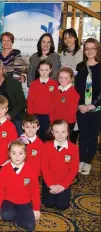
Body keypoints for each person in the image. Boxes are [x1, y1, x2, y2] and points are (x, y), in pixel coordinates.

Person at [0, 140, 41, 231]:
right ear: (9, 154)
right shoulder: (4, 170)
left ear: (25, 154)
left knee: (30, 227)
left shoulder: (31, 170)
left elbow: (35, 191)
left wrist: (36, 209)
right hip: (9, 200)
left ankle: (19, 215)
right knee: (6, 216)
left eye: (20, 153)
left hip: (25, 202)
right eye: (14, 153)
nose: (17, 156)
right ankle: (13, 214)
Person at [75, 38, 101, 175]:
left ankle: (89, 163)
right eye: (87, 48)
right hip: (81, 108)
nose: (89, 51)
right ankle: (81, 161)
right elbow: (76, 89)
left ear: (97, 50)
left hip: (96, 109)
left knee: (93, 136)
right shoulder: (80, 66)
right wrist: (79, 105)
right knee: (83, 136)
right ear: (84, 50)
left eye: (92, 48)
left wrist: (93, 105)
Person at [41, 120, 79, 210]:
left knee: (62, 206)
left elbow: (74, 169)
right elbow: (44, 167)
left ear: (68, 132)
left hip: (64, 182)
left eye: (63, 131)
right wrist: (51, 185)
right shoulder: (46, 146)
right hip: (49, 181)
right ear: (52, 133)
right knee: (48, 204)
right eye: (57, 132)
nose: (60, 135)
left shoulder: (74, 148)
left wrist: (63, 186)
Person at [61, 28, 83, 144]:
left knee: (74, 119)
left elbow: (79, 72)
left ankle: (72, 143)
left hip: (76, 89)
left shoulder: (80, 53)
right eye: (65, 38)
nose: (68, 40)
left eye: (70, 37)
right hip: (64, 90)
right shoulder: (63, 54)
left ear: (75, 37)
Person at [27, 60, 58, 141]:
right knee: (35, 138)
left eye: (46, 70)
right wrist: (30, 117)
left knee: (47, 138)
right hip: (35, 116)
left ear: (50, 70)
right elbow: (30, 101)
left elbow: (55, 103)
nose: (44, 72)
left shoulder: (54, 84)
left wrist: (53, 119)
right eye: (42, 70)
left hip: (48, 117)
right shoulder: (33, 84)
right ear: (38, 70)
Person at [49, 67, 79, 139]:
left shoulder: (73, 93)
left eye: (66, 78)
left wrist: (62, 124)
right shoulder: (56, 90)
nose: (62, 80)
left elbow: (71, 111)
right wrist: (52, 121)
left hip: (67, 123)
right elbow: (52, 107)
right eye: (61, 77)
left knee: (65, 143)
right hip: (55, 122)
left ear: (71, 79)